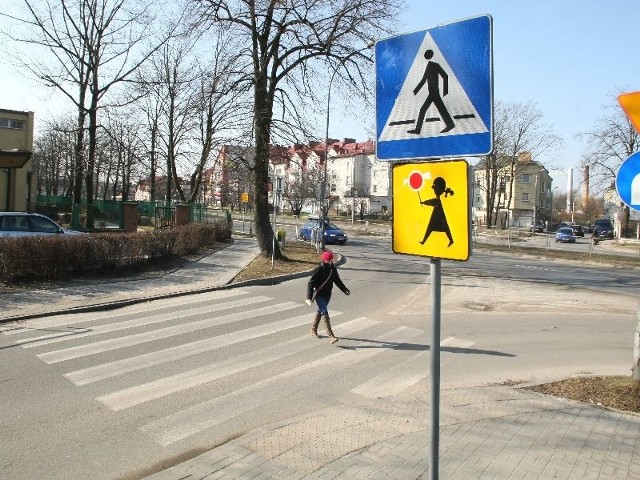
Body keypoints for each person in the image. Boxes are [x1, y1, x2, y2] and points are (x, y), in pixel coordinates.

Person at [305, 250, 350, 344]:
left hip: (328, 294)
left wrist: (344, 289)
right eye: (329, 260)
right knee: (324, 312)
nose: (331, 262)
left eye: (331, 260)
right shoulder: (319, 269)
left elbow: (337, 280)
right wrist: (309, 297)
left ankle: (313, 330)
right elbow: (310, 283)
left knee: (320, 310)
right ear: (324, 260)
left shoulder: (333, 269)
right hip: (319, 295)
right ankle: (331, 336)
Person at [407, 49, 455, 135]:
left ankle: (418, 129)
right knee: (439, 109)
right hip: (432, 93)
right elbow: (423, 80)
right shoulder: (428, 66)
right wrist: (414, 92)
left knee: (424, 109)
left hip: (434, 92)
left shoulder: (434, 65)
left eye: (426, 54)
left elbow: (445, 76)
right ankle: (450, 124)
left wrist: (446, 91)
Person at [419, 176, 454, 247]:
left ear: (439, 188)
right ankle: (423, 241)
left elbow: (434, 202)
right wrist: (424, 202)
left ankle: (451, 240)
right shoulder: (441, 197)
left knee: (439, 227)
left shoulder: (442, 197)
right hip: (438, 215)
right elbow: (434, 201)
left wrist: (424, 202)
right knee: (433, 227)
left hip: (439, 216)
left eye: (435, 188)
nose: (433, 190)